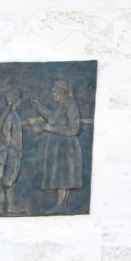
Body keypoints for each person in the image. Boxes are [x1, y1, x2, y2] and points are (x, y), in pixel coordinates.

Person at [31, 78, 84, 213]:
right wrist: (39, 107)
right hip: (59, 147)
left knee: (64, 176)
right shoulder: (63, 105)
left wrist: (51, 129)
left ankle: (61, 205)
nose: (52, 93)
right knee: (60, 175)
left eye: (54, 90)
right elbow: (53, 118)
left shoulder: (71, 105)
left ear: (62, 92)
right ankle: (60, 204)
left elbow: (74, 130)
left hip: (67, 147)